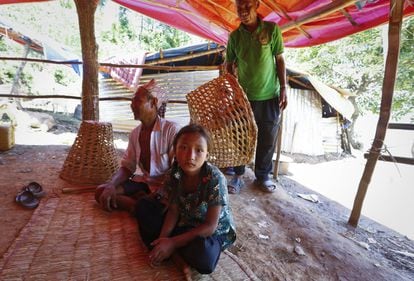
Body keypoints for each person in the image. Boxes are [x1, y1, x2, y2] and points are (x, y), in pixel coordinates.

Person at [135, 124, 236, 274]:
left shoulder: (215, 179)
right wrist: (163, 241)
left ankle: (176, 248)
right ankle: (173, 248)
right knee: (143, 207)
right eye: (183, 148)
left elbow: (210, 225)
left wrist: (173, 242)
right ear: (174, 150)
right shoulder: (174, 174)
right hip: (185, 222)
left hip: (209, 232)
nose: (190, 156)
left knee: (204, 257)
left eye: (199, 150)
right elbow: (173, 211)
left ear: (207, 155)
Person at [226, 0, 287, 194]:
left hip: (270, 96)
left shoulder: (271, 29)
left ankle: (263, 176)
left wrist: (284, 87)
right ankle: (237, 175)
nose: (243, 11)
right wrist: (230, 88)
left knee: (267, 138)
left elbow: (279, 59)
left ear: (257, 5)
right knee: (240, 137)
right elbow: (229, 65)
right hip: (243, 98)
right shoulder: (235, 37)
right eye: (239, 7)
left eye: (247, 6)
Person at [95, 79, 180, 213]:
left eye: (137, 101)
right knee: (102, 191)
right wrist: (111, 184)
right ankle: (139, 206)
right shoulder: (135, 134)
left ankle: (141, 206)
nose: (132, 105)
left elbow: (178, 171)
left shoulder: (172, 130)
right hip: (144, 184)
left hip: (166, 189)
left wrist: (160, 193)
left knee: (165, 208)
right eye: (132, 101)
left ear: (153, 103)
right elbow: (128, 167)